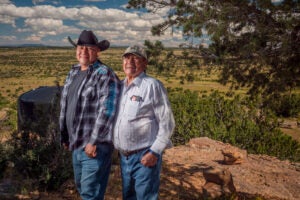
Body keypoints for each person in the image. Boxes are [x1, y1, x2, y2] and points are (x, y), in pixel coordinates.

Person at [59, 30, 120, 200]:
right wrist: (65, 136)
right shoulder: (73, 72)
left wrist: (93, 142)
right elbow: (67, 106)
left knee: (89, 193)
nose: (83, 52)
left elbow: (107, 111)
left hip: (94, 148)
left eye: (89, 48)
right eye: (80, 47)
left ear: (97, 51)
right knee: (83, 189)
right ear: (76, 50)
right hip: (76, 144)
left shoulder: (104, 74)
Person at [113, 44, 175, 200]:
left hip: (144, 155)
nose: (130, 61)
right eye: (127, 57)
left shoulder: (152, 86)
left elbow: (167, 123)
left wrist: (154, 152)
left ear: (145, 63)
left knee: (145, 197)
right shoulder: (119, 87)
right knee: (128, 196)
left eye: (136, 58)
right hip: (124, 157)